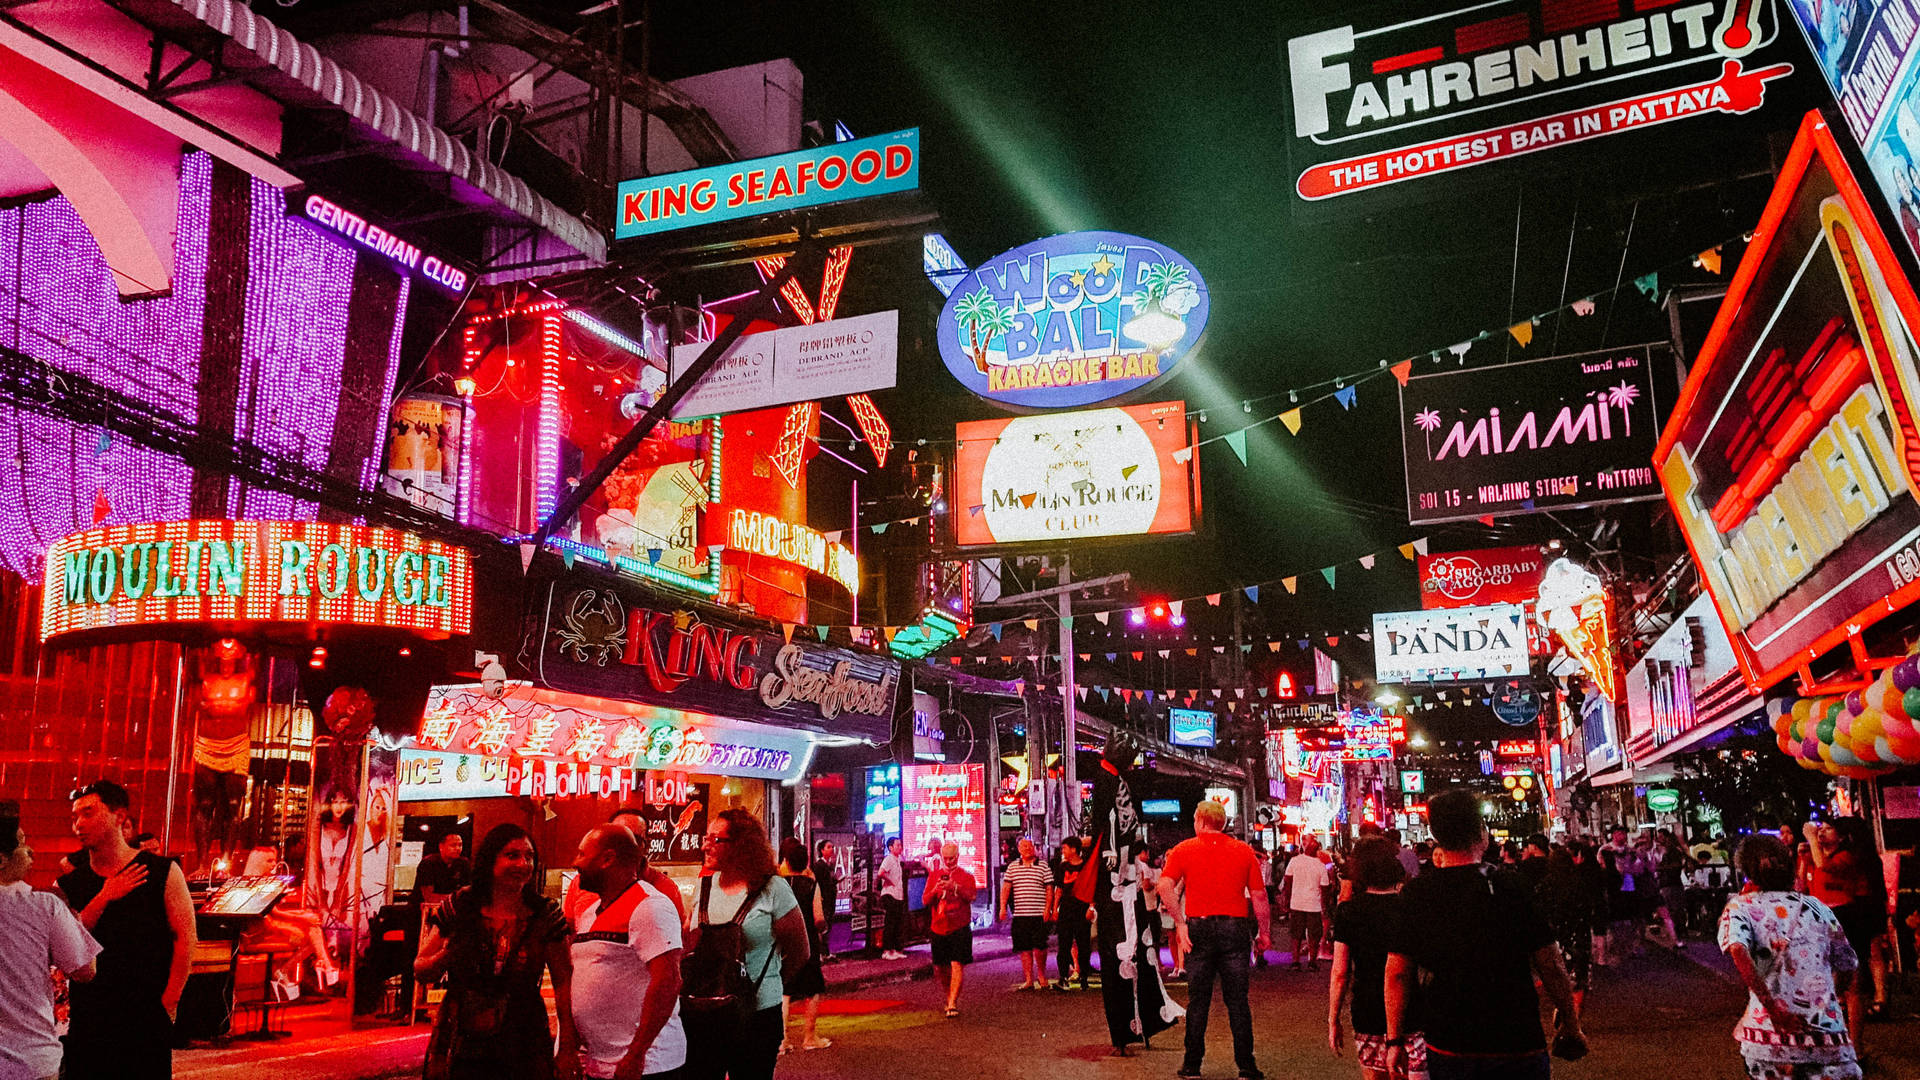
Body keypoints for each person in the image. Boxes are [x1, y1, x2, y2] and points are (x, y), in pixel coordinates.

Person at [1384, 789, 1584, 1080]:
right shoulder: (1512, 887)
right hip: (1516, 1037)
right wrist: (1570, 1021)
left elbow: (1397, 973)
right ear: (1481, 832)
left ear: (1437, 835)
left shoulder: (1418, 894)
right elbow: (1550, 963)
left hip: (1450, 1039)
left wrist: (1394, 1039)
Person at [58, 779, 195, 1080]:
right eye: (75, 817)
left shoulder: (161, 871)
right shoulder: (69, 884)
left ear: (119, 817)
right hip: (88, 1017)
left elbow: (185, 937)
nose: (79, 824)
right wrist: (104, 896)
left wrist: (169, 1001)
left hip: (145, 1014)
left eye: (89, 813)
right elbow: (64, 947)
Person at [416, 824, 576, 1080]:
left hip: (524, 1037)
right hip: (461, 1035)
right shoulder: (461, 905)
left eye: (529, 857)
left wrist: (568, 1045)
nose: (523, 864)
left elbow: (563, 981)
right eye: (512, 855)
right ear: (489, 859)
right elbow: (421, 969)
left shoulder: (544, 913)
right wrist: (448, 954)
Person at [1720, 834, 1861, 1080]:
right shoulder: (1818, 907)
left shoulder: (1740, 907)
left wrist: (1774, 1009)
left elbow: (1737, 949)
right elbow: (1848, 963)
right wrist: (1828, 999)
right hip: (1827, 1037)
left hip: (1768, 1039)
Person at [683, 810, 811, 1080]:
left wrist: (769, 984)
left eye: (715, 839)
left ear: (741, 845)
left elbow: (800, 951)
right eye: (706, 838)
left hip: (757, 1015)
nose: (706, 845)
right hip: (704, 1011)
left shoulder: (773, 889)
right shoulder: (704, 886)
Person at [1159, 799, 1270, 1080]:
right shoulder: (1243, 851)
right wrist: (1263, 933)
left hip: (1199, 928)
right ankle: (1246, 1066)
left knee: (1198, 1000)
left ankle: (1192, 1064)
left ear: (1199, 821)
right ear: (1223, 823)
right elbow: (1259, 896)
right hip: (1235, 928)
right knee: (1238, 1001)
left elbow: (1164, 885)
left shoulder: (1185, 849)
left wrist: (1180, 922)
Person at [1085, 733, 1180, 1053]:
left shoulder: (1116, 781)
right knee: (1121, 957)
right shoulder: (1107, 782)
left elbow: (1117, 829)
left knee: (1141, 952)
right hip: (1115, 883)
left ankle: (1144, 1024)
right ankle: (1126, 1032)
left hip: (1124, 882)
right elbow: (1108, 830)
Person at [566, 825, 685, 1080]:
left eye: (581, 854)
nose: (576, 862)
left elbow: (668, 981)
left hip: (648, 1065)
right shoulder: (589, 911)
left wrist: (636, 1054)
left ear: (607, 859)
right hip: (600, 1063)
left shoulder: (650, 906)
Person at [0, 802, 101, 1080]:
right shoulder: (44, 906)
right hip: (29, 1061)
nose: (30, 851)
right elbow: (84, 970)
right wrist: (76, 921)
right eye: (22, 843)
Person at [1329, 836, 1423, 1080]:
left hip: (1368, 1008)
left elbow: (1340, 972)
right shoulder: (1409, 908)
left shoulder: (1349, 912)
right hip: (1411, 1008)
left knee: (1375, 1074)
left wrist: (1333, 1019)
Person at [1807, 818, 1892, 1048]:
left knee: (1852, 982)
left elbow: (1825, 868)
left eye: (1828, 828)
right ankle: (1836, 1039)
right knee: (1832, 980)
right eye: (1821, 828)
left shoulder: (1848, 857)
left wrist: (1812, 839)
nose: (1822, 832)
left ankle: (1853, 1043)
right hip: (1828, 917)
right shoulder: (1820, 855)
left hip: (1849, 918)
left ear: (1843, 836)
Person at [776, 838, 830, 1052]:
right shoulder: (811, 884)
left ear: (787, 861)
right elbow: (818, 918)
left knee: (785, 991)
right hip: (807, 941)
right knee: (813, 988)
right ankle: (809, 1037)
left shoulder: (779, 885)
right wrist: (822, 928)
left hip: (784, 941)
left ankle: (782, 1040)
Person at [1536, 844, 1600, 1018]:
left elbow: (1539, 911)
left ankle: (1563, 1010)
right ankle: (1575, 1015)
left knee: (1559, 977)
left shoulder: (1546, 886)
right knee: (1579, 978)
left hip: (1556, 937)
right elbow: (1589, 908)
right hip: (1579, 936)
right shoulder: (1580, 883)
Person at [606, 809, 689, 927]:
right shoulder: (584, 885)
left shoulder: (665, 889)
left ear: (646, 844)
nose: (624, 846)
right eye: (617, 838)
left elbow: (675, 938)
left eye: (635, 839)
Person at [924, 842, 977, 1018]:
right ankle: (949, 997)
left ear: (958, 856)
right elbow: (925, 900)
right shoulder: (935, 875)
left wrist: (955, 887)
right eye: (945, 858)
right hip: (939, 926)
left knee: (956, 963)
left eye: (952, 858)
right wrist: (935, 889)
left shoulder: (966, 876)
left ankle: (953, 1001)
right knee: (940, 967)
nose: (949, 862)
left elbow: (971, 896)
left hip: (959, 925)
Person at [999, 836, 1054, 990]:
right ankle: (1029, 979)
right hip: (1021, 914)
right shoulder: (1012, 867)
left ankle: (1042, 975)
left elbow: (1049, 889)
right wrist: (1003, 907)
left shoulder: (1043, 866)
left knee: (1040, 947)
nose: (1027, 849)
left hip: (1038, 913)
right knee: (1024, 948)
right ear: (1019, 850)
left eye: (1029, 846)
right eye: (1023, 847)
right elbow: (1006, 889)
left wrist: (1048, 908)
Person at [1282, 836, 1333, 971]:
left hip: (1296, 902)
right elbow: (1325, 887)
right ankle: (1312, 961)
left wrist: (1286, 900)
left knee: (1296, 934)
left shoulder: (1294, 861)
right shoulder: (1320, 865)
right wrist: (1324, 905)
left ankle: (1295, 961)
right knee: (1314, 935)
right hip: (1313, 904)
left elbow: (1287, 881)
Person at [1051, 836, 1093, 990]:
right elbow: (1059, 889)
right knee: (1064, 944)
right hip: (1066, 910)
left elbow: (1092, 888)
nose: (1063, 851)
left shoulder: (1086, 867)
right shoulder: (1062, 867)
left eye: (1065, 848)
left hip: (1082, 909)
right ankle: (1063, 977)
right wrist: (1055, 908)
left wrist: (1091, 907)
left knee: (1083, 945)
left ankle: (1084, 977)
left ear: (1074, 849)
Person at [416, 830, 470, 906]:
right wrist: (456, 898)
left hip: (452, 909)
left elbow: (467, 891)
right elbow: (429, 897)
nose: (458, 848)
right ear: (441, 847)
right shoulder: (428, 863)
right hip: (424, 910)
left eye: (460, 845)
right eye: (453, 845)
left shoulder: (463, 863)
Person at [875, 836, 907, 961]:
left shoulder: (898, 860)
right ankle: (886, 950)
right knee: (890, 923)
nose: (900, 847)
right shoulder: (888, 859)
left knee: (897, 923)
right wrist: (890, 881)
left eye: (900, 845)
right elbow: (880, 873)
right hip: (890, 894)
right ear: (890, 847)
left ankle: (894, 949)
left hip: (898, 895)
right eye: (897, 845)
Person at [811, 840, 839, 961]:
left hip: (830, 899)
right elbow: (817, 883)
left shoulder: (830, 865)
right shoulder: (819, 866)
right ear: (822, 850)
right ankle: (820, 953)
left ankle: (826, 952)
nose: (831, 849)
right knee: (822, 927)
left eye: (832, 847)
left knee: (828, 926)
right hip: (823, 900)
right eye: (828, 847)